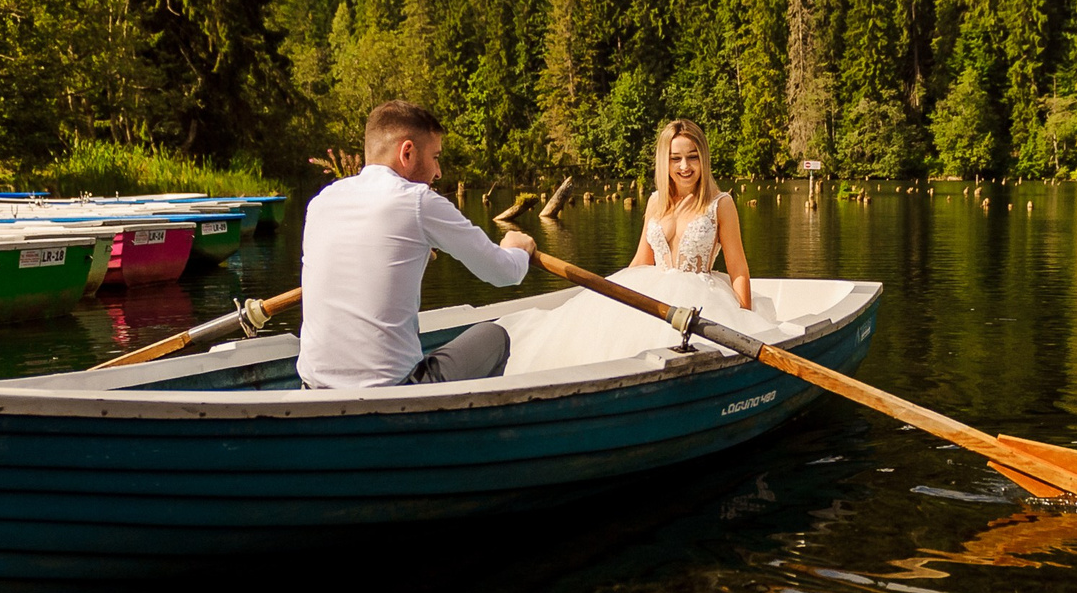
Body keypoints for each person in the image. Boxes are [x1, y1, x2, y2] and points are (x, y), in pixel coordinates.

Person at [496, 118, 778, 377]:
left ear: (704, 159)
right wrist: (611, 296)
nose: (685, 166)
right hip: (653, 289)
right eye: (675, 158)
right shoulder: (656, 201)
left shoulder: (720, 204)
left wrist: (744, 316)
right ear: (664, 162)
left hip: (700, 298)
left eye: (693, 157)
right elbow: (641, 261)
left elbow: (738, 267)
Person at [296, 100, 537, 390]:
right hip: (395, 391)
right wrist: (517, 248)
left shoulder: (321, 202)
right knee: (494, 335)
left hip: (313, 390)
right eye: (435, 157)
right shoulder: (418, 201)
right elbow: (504, 273)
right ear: (407, 152)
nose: (438, 172)